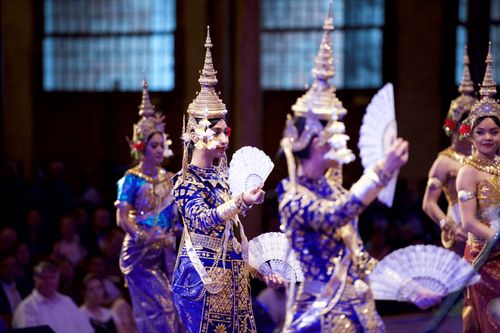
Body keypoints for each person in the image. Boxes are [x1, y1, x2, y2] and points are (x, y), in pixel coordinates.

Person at [277, 6, 441, 332]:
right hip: (319, 315)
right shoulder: (291, 196)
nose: (338, 140)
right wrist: (381, 172)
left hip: (357, 312)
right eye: (331, 133)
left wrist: (410, 290)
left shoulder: (335, 189)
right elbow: (334, 214)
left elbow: (360, 258)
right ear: (312, 139)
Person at [172, 26, 283, 333]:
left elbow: (232, 235)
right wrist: (239, 201)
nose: (223, 138)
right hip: (201, 281)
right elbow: (202, 220)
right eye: (216, 131)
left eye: (225, 131)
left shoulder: (223, 177)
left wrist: (260, 272)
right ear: (195, 134)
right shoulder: (184, 182)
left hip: (233, 279)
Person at [115, 79, 182, 332]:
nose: (159, 150)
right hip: (139, 253)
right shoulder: (130, 179)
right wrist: (144, 235)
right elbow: (122, 219)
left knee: (174, 307)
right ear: (140, 147)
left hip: (165, 249)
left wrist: (172, 235)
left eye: (162, 146)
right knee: (158, 310)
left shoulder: (169, 178)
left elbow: (174, 216)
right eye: (154, 146)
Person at [456, 43, 500, 333]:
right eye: (481, 132)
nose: (488, 138)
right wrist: (497, 236)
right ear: (470, 136)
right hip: (484, 257)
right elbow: (468, 221)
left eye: (494, 132)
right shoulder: (467, 172)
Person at [422, 46, 476, 255]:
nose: (468, 133)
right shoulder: (444, 161)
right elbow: (428, 203)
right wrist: (449, 226)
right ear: (452, 126)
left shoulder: (485, 159)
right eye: (464, 127)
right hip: (459, 228)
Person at [12, 260, 93, 333]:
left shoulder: (67, 301)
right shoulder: (27, 307)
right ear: (35, 279)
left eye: (52, 277)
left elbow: (86, 329)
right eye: (43, 278)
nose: (48, 282)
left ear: (58, 279)